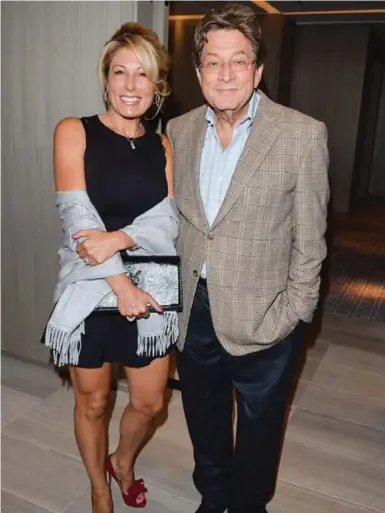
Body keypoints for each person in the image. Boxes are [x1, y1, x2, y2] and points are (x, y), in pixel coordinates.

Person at [166, 4, 329, 513]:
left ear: (258, 70)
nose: (226, 73)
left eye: (239, 61)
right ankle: (213, 497)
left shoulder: (302, 134)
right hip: (195, 309)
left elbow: (311, 239)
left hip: (266, 315)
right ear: (198, 72)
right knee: (204, 415)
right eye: (213, 62)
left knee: (260, 429)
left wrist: (294, 310)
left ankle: (248, 504)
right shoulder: (179, 130)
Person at [44, 23, 178, 513]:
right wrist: (120, 283)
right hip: (90, 282)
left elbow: (167, 218)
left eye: (142, 74)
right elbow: (78, 218)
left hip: (156, 283)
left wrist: (121, 237)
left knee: (150, 403)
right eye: (120, 72)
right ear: (105, 79)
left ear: (157, 84)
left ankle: (121, 460)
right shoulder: (73, 130)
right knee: (94, 403)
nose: (130, 84)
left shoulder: (162, 146)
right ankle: (99, 488)